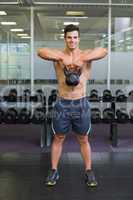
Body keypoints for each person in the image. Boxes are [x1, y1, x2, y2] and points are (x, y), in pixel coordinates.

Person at [37, 24, 107, 187]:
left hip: (81, 103)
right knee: (58, 137)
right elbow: (41, 51)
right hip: (62, 103)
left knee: (83, 139)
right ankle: (54, 170)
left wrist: (82, 59)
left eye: (75, 37)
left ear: (79, 38)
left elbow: (104, 51)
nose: (72, 40)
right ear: (65, 39)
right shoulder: (59, 56)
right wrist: (62, 58)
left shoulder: (86, 56)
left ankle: (89, 171)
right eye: (69, 37)